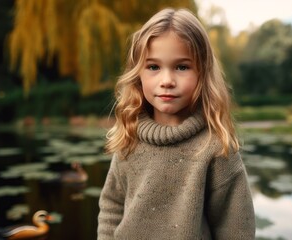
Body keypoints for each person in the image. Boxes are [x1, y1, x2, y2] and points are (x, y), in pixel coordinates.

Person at [97, 8, 255, 240]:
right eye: (153, 67)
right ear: (137, 74)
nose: (167, 81)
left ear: (203, 73)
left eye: (182, 67)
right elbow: (111, 207)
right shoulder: (128, 139)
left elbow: (236, 229)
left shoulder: (215, 148)